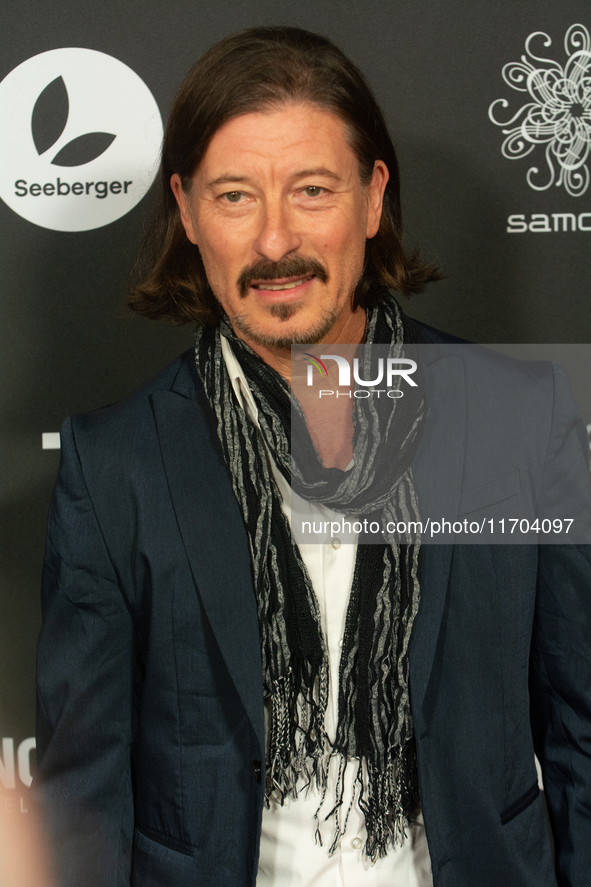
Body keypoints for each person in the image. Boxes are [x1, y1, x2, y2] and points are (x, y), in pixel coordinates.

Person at [34, 26, 591, 887]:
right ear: (185, 211)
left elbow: (580, 720)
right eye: (234, 196)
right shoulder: (115, 465)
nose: (274, 241)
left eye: (312, 190)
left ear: (372, 199)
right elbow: (85, 796)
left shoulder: (519, 418)